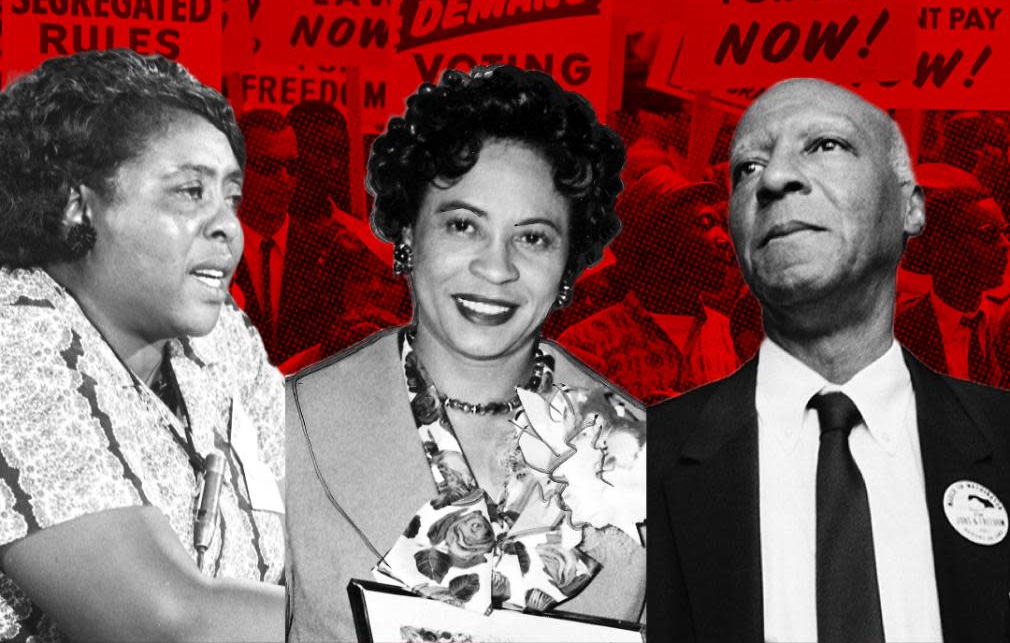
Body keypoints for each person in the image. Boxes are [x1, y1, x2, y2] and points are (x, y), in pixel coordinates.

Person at [286, 66, 646, 642]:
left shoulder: (641, 455)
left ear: (567, 265)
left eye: (532, 237)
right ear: (409, 234)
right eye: (463, 225)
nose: (496, 268)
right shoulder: (284, 432)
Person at [648, 78, 1010, 642]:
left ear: (910, 206)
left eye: (826, 146)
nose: (772, 178)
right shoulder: (637, 465)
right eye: (747, 168)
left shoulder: (1002, 441)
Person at [0, 50, 285, 642]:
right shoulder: (14, 340)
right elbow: (165, 624)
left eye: (231, 196)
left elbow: (328, 508)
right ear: (78, 201)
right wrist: (404, 626)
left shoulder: (221, 339)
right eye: (189, 192)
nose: (227, 225)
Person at [232, 109, 404, 367]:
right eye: (268, 168)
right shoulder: (209, 251)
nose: (283, 179)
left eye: (292, 167)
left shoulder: (328, 252)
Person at [560, 166, 739, 403]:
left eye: (721, 226)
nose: (725, 240)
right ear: (659, 241)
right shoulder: (587, 343)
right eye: (705, 223)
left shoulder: (722, 332)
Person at [895, 164, 1008, 386]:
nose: (1005, 245)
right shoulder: (901, 331)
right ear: (945, 249)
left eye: (1005, 232)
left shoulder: (1002, 330)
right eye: (988, 235)